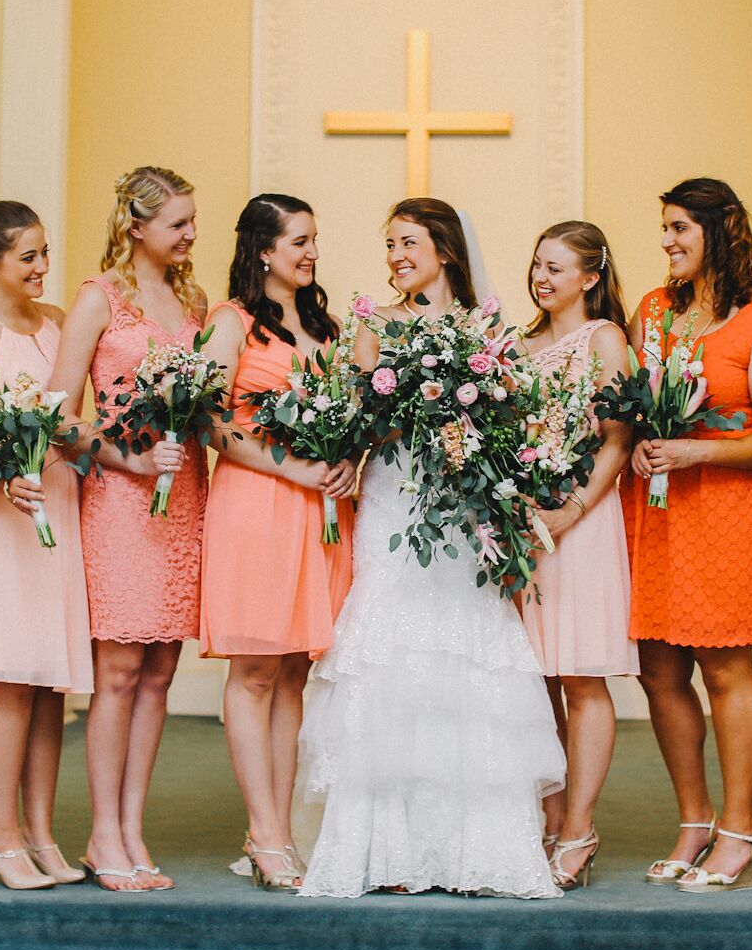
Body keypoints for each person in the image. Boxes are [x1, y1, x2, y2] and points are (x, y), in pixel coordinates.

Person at [297, 198, 563, 899]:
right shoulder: (374, 326)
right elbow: (361, 424)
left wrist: (469, 418)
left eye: (407, 242)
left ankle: (478, 848)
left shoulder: (487, 331)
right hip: (394, 501)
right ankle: (383, 849)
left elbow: (508, 419)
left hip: (462, 510)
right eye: (388, 245)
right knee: (392, 646)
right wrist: (407, 407)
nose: (395, 257)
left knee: (464, 649)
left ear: (443, 248)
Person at [626, 178, 752, 893]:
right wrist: (641, 441)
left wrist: (697, 451)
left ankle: (740, 826)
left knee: (726, 670)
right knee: (659, 671)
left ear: (721, 229)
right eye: (664, 229)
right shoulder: (652, 311)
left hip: (727, 509)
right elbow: (634, 401)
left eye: (678, 229)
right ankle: (693, 821)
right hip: (658, 509)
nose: (666, 242)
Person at [51, 166, 207, 891]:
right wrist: (128, 457)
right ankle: (101, 832)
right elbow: (58, 411)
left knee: (160, 672)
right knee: (116, 671)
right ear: (136, 226)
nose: (190, 234)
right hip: (119, 499)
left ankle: (133, 827)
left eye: (192, 220)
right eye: (178, 222)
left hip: (183, 499)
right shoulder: (97, 298)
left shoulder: (193, 301)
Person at [198, 195, 357, 892]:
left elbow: (354, 410)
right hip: (258, 504)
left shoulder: (326, 326)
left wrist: (349, 457)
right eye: (299, 240)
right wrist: (289, 465)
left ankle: (282, 826)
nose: (311, 252)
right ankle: (263, 831)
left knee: (296, 669)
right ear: (264, 248)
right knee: (257, 670)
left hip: (320, 510)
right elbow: (210, 422)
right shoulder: (229, 323)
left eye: (315, 239)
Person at [0, 197, 94, 889]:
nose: (42, 266)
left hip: (56, 503)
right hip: (6, 518)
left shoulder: (59, 322)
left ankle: (39, 830)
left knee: (51, 678)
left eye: (44, 252)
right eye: (27, 255)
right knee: (12, 674)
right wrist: (8, 481)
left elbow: (70, 422)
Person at [518, 221, 636, 889]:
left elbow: (616, 443)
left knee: (581, 677)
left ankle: (579, 828)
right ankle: (546, 814)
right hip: (525, 522)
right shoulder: (519, 342)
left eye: (557, 267)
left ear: (590, 275)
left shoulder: (605, 340)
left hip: (582, 522)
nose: (542, 277)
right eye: (538, 264)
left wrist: (569, 511)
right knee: (535, 679)